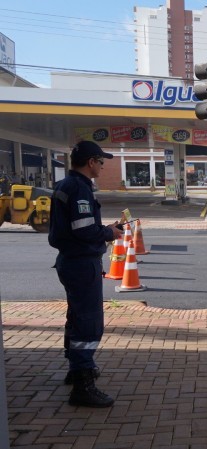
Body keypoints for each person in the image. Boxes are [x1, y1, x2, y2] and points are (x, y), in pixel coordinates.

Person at [48, 141, 123, 408]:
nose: (103, 166)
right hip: (81, 263)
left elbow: (78, 225)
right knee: (88, 323)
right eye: (101, 161)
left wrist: (103, 228)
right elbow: (83, 231)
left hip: (70, 261)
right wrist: (109, 233)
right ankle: (83, 384)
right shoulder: (78, 188)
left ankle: (77, 369)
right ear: (91, 162)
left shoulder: (64, 185)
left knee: (76, 316)